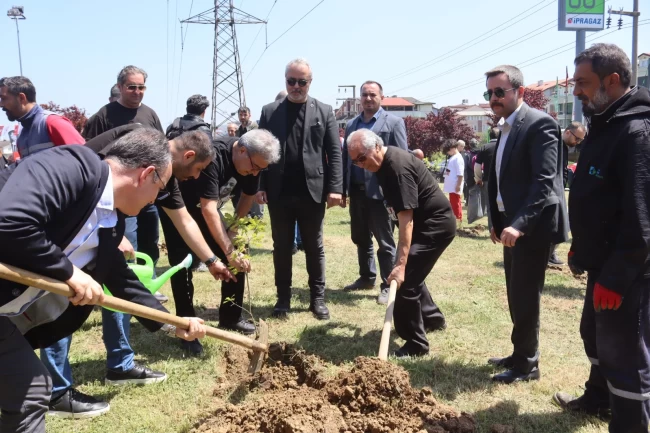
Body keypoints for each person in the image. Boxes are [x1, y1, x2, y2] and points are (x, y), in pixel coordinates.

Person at [0, 133, 207, 432]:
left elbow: (119, 278)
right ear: (147, 174)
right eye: (160, 189)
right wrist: (70, 272)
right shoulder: (69, 167)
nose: (155, 200)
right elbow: (10, 222)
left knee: (29, 388)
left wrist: (171, 323)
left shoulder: (112, 220)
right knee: (29, 388)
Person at [553, 43, 650, 432]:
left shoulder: (636, 132)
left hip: (628, 273)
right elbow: (599, 198)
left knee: (625, 356)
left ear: (612, 80)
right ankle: (598, 399)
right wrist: (582, 246)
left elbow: (642, 219)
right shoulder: (605, 122)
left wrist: (617, 277)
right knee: (594, 335)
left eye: (583, 83)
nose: (576, 91)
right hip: (602, 262)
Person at [485, 64, 568, 384]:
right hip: (511, 224)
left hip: (532, 226)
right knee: (515, 291)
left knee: (525, 295)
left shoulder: (539, 124)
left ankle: (528, 365)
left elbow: (544, 182)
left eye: (499, 92)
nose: (493, 98)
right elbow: (499, 178)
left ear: (519, 91)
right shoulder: (505, 127)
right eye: (489, 93)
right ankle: (519, 353)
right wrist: (497, 220)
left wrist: (519, 224)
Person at [347, 128, 455, 357]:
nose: (360, 165)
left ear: (377, 146)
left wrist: (401, 263)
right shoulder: (382, 164)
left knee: (404, 281)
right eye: (355, 161)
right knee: (412, 273)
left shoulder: (397, 167)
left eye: (362, 158)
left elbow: (406, 219)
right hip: (424, 224)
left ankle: (416, 344)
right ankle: (432, 319)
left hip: (434, 226)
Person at [167, 129, 280, 336]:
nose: (255, 173)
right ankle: (186, 323)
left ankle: (231, 317)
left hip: (206, 209)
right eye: (255, 167)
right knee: (182, 262)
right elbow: (208, 209)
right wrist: (228, 251)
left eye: (261, 170)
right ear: (242, 151)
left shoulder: (253, 164)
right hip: (179, 209)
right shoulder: (215, 157)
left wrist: (234, 231)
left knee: (238, 251)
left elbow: (248, 195)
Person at [256, 58, 343, 319]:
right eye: (291, 81)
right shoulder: (270, 111)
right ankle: (283, 298)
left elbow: (334, 153)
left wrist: (336, 188)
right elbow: (260, 151)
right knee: (281, 247)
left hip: (312, 191)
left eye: (301, 82)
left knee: (314, 246)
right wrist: (260, 185)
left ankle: (318, 299)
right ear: (285, 81)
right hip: (279, 191)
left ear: (310, 82)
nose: (296, 86)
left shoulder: (324, 111)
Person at [341, 80, 407, 305]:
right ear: (359, 98)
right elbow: (345, 158)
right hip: (357, 192)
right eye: (365, 95)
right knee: (360, 237)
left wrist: (397, 192)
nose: (368, 99)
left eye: (372, 95)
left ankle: (388, 285)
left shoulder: (394, 122)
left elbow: (401, 158)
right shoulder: (352, 124)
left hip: (381, 193)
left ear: (381, 97)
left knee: (385, 242)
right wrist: (342, 189)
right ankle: (366, 277)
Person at [0, 76, 84, 161]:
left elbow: (85, 160)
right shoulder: (21, 136)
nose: (1, 104)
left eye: (3, 98)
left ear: (22, 98)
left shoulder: (53, 123)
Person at [548, 121, 587, 266]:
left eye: (580, 140)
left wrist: (562, 183)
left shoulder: (563, 147)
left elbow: (563, 170)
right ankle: (547, 255)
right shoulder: (553, 143)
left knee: (561, 226)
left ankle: (550, 254)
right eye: (577, 138)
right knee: (557, 225)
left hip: (558, 190)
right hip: (550, 191)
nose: (577, 142)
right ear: (568, 132)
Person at [474, 127, 499, 230]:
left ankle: (492, 229)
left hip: (488, 180)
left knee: (490, 205)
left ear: (490, 136)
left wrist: (478, 179)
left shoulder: (484, 147)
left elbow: (477, 166)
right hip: (503, 180)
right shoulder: (505, 145)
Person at [441, 139, 464, 227]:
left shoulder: (458, 158)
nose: (448, 153)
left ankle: (457, 220)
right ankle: (457, 219)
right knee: (454, 203)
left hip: (455, 185)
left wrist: (458, 185)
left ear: (452, 148)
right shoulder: (454, 157)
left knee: (456, 204)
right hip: (452, 186)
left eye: (448, 151)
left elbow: (460, 173)